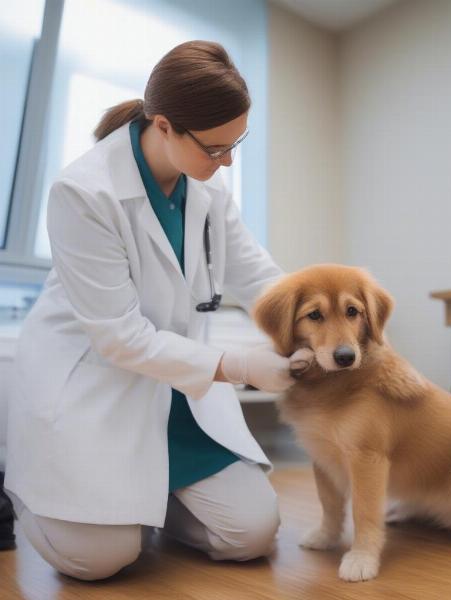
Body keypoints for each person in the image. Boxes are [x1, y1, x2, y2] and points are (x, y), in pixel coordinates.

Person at [4, 40, 307, 581]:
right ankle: (34, 496)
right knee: (96, 561)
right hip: (95, 389)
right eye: (216, 148)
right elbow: (120, 337)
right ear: (164, 125)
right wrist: (239, 367)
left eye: (236, 144)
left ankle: (142, 503)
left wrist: (317, 319)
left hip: (175, 397)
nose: (228, 161)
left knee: (252, 533)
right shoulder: (84, 191)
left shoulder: (210, 190)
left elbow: (259, 278)